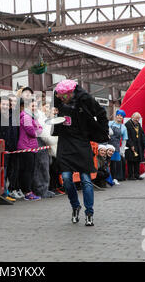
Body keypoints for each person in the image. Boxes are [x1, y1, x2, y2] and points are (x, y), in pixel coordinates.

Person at [53, 79, 109, 226]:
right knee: (66, 178)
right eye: (58, 95)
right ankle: (75, 205)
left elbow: (102, 113)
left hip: (82, 142)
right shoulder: (57, 96)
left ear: (70, 93)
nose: (59, 98)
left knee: (85, 180)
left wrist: (103, 133)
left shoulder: (85, 99)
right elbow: (57, 112)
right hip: (65, 143)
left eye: (62, 96)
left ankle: (89, 212)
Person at [17, 97, 42, 201]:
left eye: (35, 105)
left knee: (30, 170)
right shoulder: (26, 117)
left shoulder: (31, 117)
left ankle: (29, 191)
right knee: (27, 171)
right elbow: (32, 132)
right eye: (32, 105)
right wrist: (37, 129)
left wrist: (37, 128)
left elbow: (40, 128)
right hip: (26, 147)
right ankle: (27, 192)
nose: (34, 107)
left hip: (31, 147)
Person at [0, 95, 20, 201]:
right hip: (1, 149)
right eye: (3, 104)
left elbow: (16, 132)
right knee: (3, 171)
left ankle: (8, 191)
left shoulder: (13, 116)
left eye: (7, 104)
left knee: (11, 171)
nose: (5, 106)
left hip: (13, 148)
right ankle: (3, 193)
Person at [124, 112, 145, 181]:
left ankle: (137, 175)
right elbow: (127, 136)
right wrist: (131, 145)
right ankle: (130, 175)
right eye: (136, 118)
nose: (137, 120)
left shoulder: (138, 124)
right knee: (131, 161)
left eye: (138, 119)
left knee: (137, 161)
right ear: (132, 117)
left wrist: (143, 143)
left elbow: (141, 133)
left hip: (138, 145)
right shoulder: (127, 124)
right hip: (131, 145)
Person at [108, 110, 128, 181]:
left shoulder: (123, 127)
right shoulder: (109, 123)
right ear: (116, 116)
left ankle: (114, 178)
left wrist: (122, 150)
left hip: (116, 146)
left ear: (123, 118)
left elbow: (124, 140)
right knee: (106, 162)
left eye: (121, 116)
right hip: (107, 145)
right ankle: (106, 179)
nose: (119, 117)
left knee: (114, 163)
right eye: (118, 115)